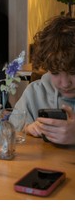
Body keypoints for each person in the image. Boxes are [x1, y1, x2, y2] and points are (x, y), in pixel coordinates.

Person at [13, 15, 75, 145]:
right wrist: (26, 129)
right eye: (55, 72)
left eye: (73, 72)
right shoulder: (35, 93)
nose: (65, 83)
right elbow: (10, 130)